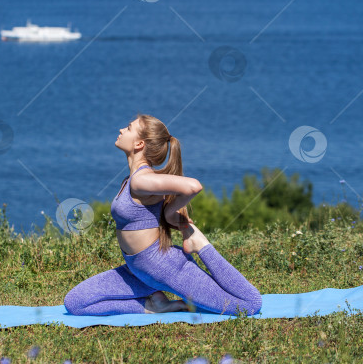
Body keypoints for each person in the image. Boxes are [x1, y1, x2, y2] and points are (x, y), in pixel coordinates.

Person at [63, 113, 262, 317]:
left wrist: (169, 212)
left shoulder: (142, 180)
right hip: (139, 272)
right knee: (76, 303)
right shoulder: (132, 179)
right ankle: (154, 306)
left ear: (139, 144)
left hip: (166, 268)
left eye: (129, 128)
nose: (122, 130)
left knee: (249, 305)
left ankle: (199, 243)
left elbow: (193, 186)